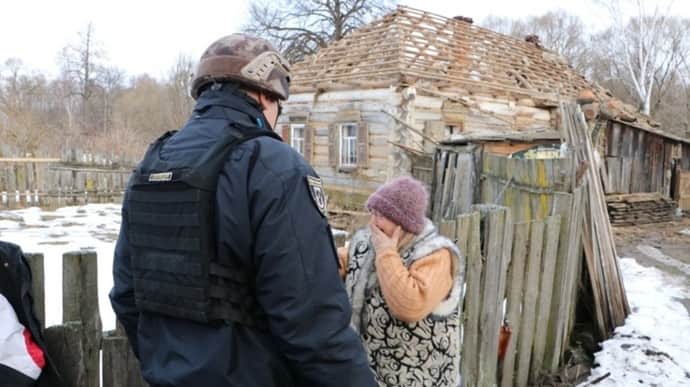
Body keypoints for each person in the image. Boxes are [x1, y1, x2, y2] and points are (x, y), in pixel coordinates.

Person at [109, 34, 375, 387]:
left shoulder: (153, 163)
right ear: (267, 94)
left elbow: (127, 294)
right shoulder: (275, 167)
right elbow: (313, 324)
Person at [338, 176, 464, 387]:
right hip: (371, 376)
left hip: (422, 379)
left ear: (403, 223)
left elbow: (410, 305)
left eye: (381, 215)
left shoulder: (435, 255)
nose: (373, 222)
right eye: (373, 213)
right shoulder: (368, 242)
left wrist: (386, 253)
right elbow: (341, 262)